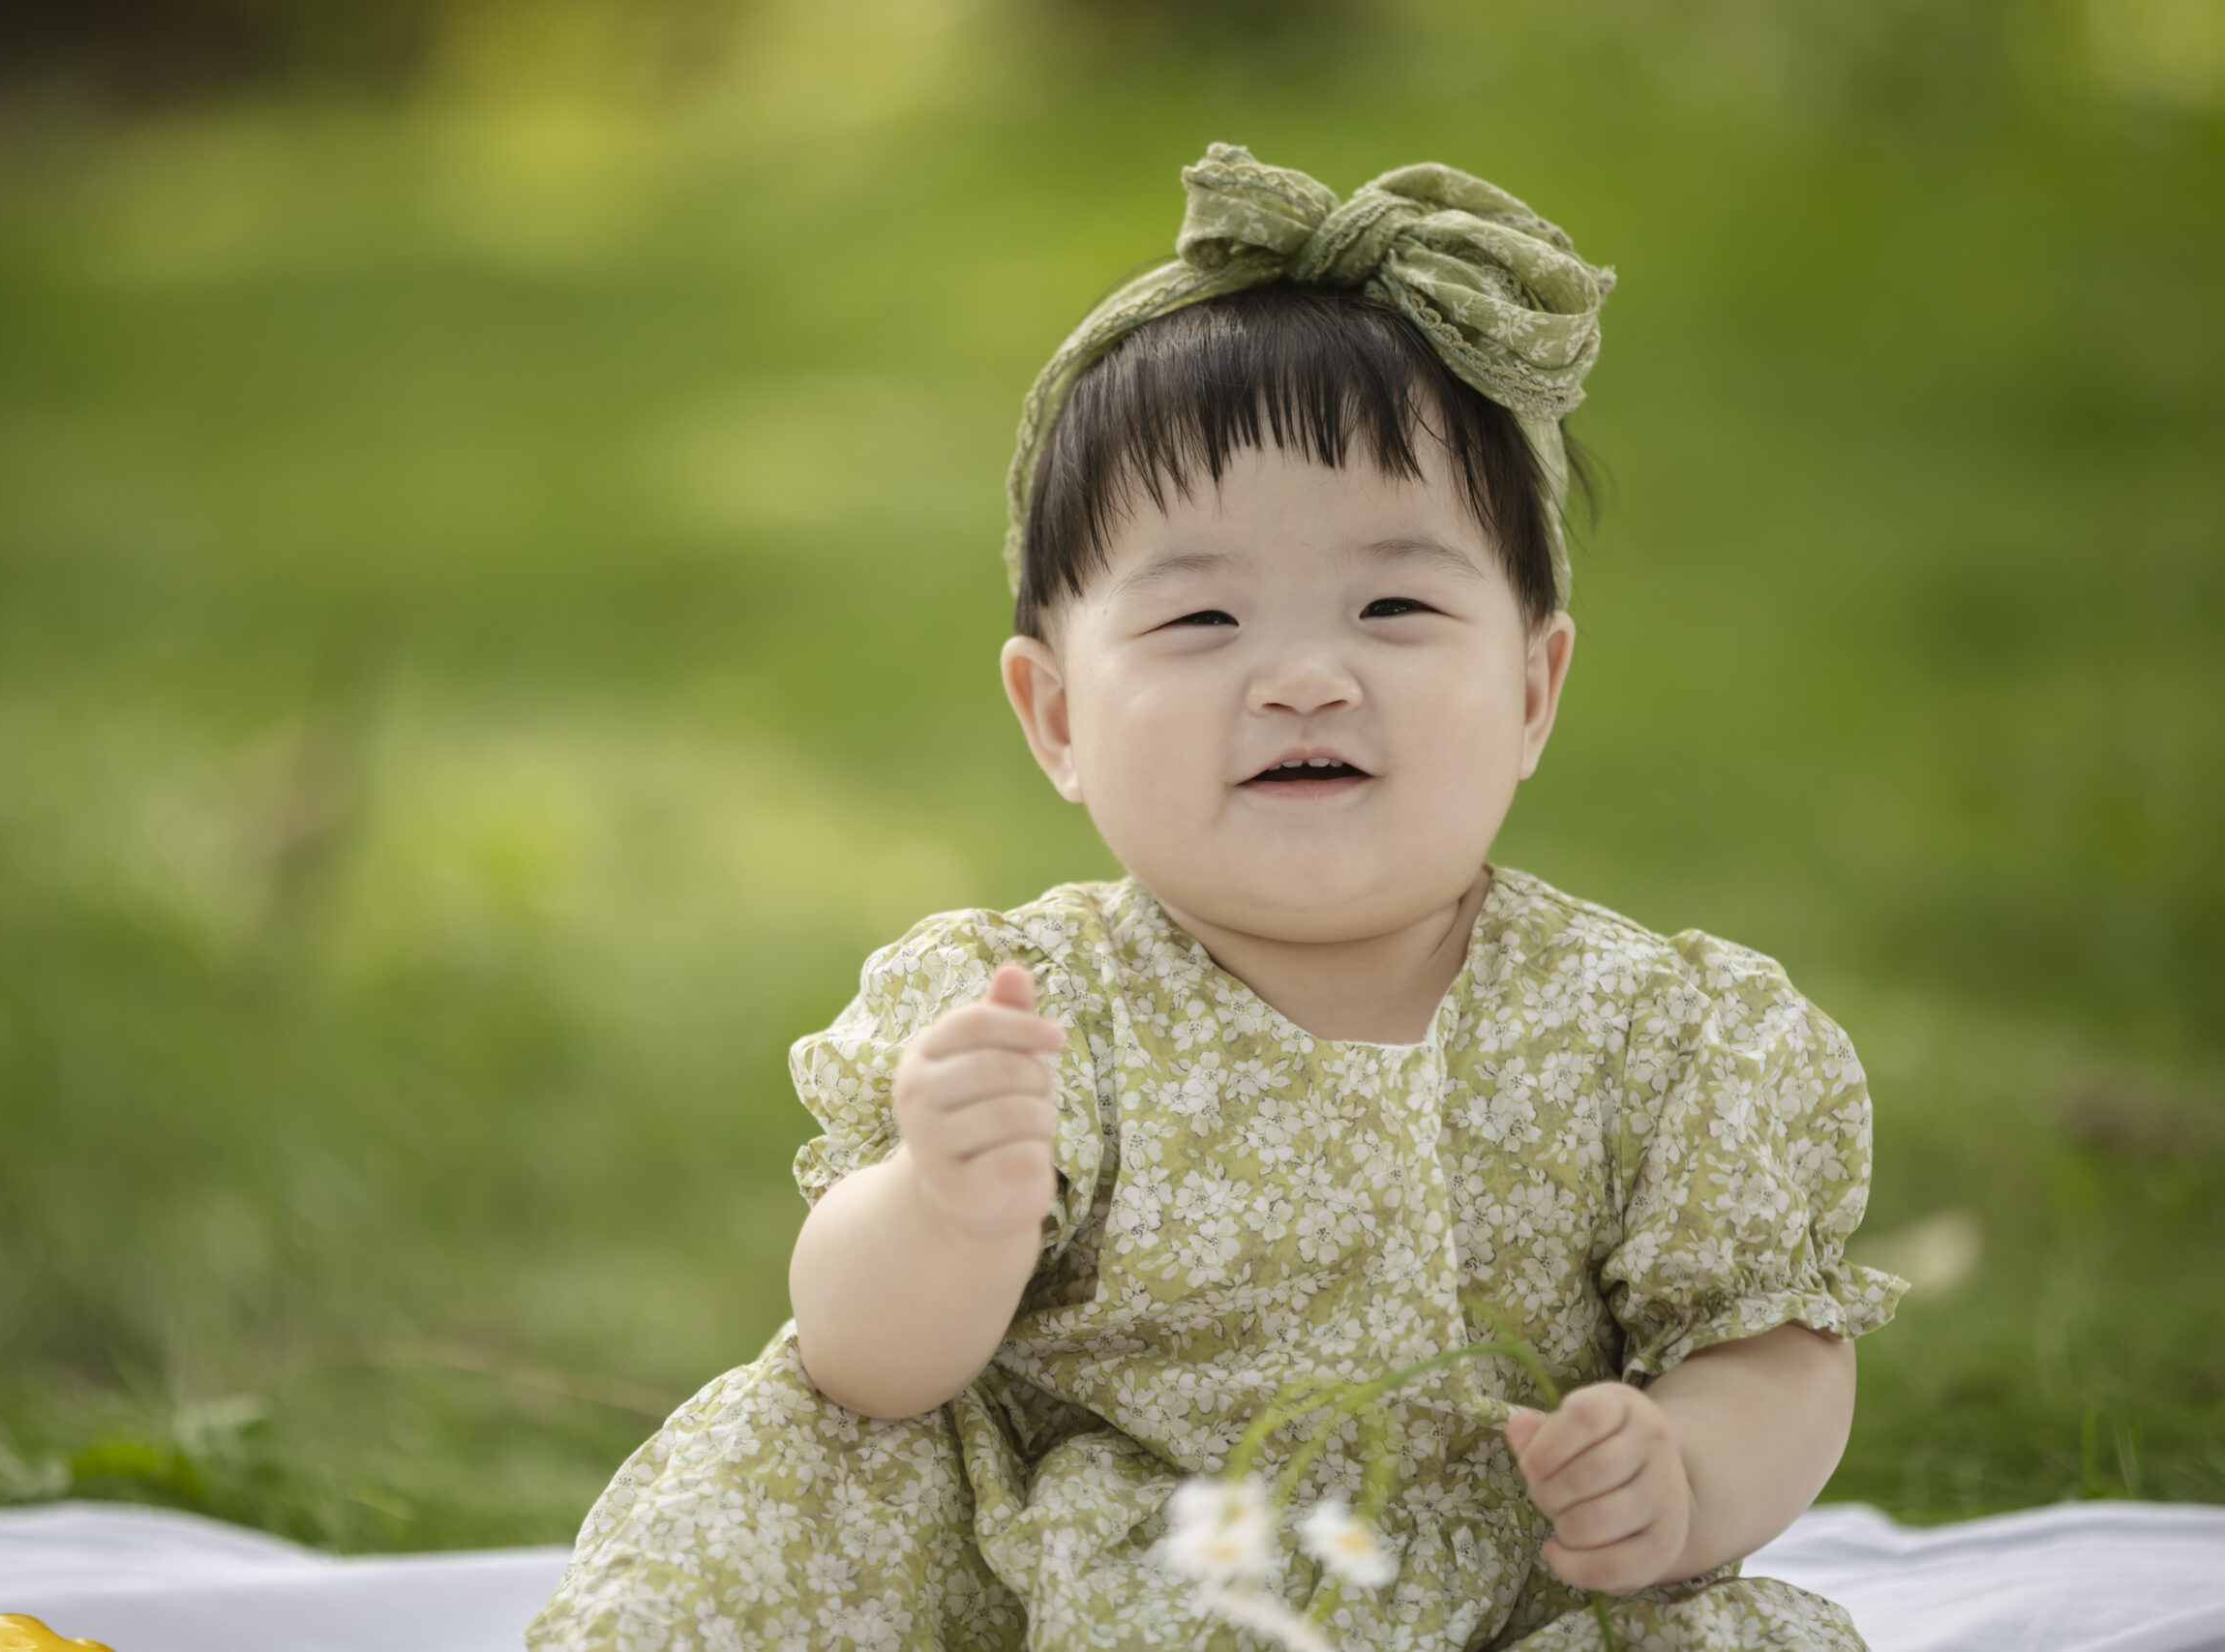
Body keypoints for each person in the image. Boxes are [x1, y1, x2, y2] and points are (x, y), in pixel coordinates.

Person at [526, 142, 1908, 1652]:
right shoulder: (1038, 1011)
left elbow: (1772, 1349)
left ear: (1532, 687)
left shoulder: (1654, 1037)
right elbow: (865, 1367)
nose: (1306, 675)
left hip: (1499, 1594)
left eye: (1394, 604)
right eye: (1199, 617)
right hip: (1070, 1576)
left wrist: (1689, 1471)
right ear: (1058, 715)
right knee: (787, 1497)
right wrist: (945, 1205)